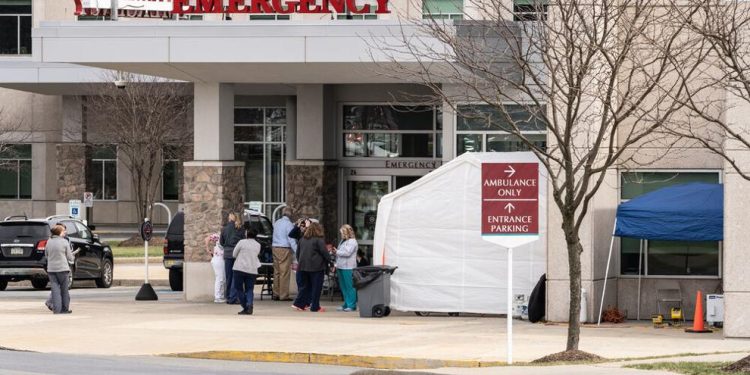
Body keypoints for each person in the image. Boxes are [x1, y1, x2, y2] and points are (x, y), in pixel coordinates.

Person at [292, 222, 331, 313]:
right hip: (316, 267)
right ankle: (315, 307)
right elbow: (324, 253)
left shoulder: (302, 239)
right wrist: (330, 261)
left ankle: (300, 304)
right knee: (316, 288)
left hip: (303, 266)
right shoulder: (319, 240)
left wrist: (301, 261)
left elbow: (298, 253)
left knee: (305, 287)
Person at [45, 224, 75, 314]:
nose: (64, 232)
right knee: (64, 290)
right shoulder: (64, 242)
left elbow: (46, 255)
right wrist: (72, 258)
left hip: (51, 269)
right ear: (59, 233)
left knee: (55, 290)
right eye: (63, 231)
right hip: (63, 269)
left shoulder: (48, 242)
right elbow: (70, 257)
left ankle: (57, 310)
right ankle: (64, 309)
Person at [232, 227, 261, 315]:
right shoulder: (258, 245)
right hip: (252, 269)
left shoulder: (242, 242)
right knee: (249, 289)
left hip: (239, 268)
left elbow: (234, 254)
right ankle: (249, 304)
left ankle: (245, 306)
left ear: (246, 234)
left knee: (239, 288)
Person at [271, 207, 297, 301]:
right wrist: (297, 251)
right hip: (284, 248)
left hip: (275, 247)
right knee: (284, 272)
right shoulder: (289, 224)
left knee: (277, 272)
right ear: (290, 214)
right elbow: (291, 239)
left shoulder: (277, 222)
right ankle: (284, 295)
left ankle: (276, 293)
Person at [220, 212, 245, 304]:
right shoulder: (240, 229)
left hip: (227, 254)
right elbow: (243, 241)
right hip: (237, 254)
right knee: (236, 276)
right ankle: (234, 297)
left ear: (229, 218)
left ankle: (228, 296)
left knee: (229, 276)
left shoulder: (224, 229)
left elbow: (221, 242)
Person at [334, 224, 358, 312]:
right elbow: (341, 252)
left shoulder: (352, 241)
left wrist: (337, 251)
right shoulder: (343, 241)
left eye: (342, 233)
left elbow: (347, 253)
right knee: (343, 287)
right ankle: (346, 304)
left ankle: (351, 305)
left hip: (348, 267)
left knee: (350, 287)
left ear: (346, 232)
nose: (341, 234)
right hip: (341, 266)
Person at [205, 232, 225, 303]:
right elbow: (207, 238)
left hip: (222, 259)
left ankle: (221, 296)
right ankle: (217, 297)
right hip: (218, 259)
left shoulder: (225, 237)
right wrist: (208, 249)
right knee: (219, 278)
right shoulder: (218, 236)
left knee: (222, 279)